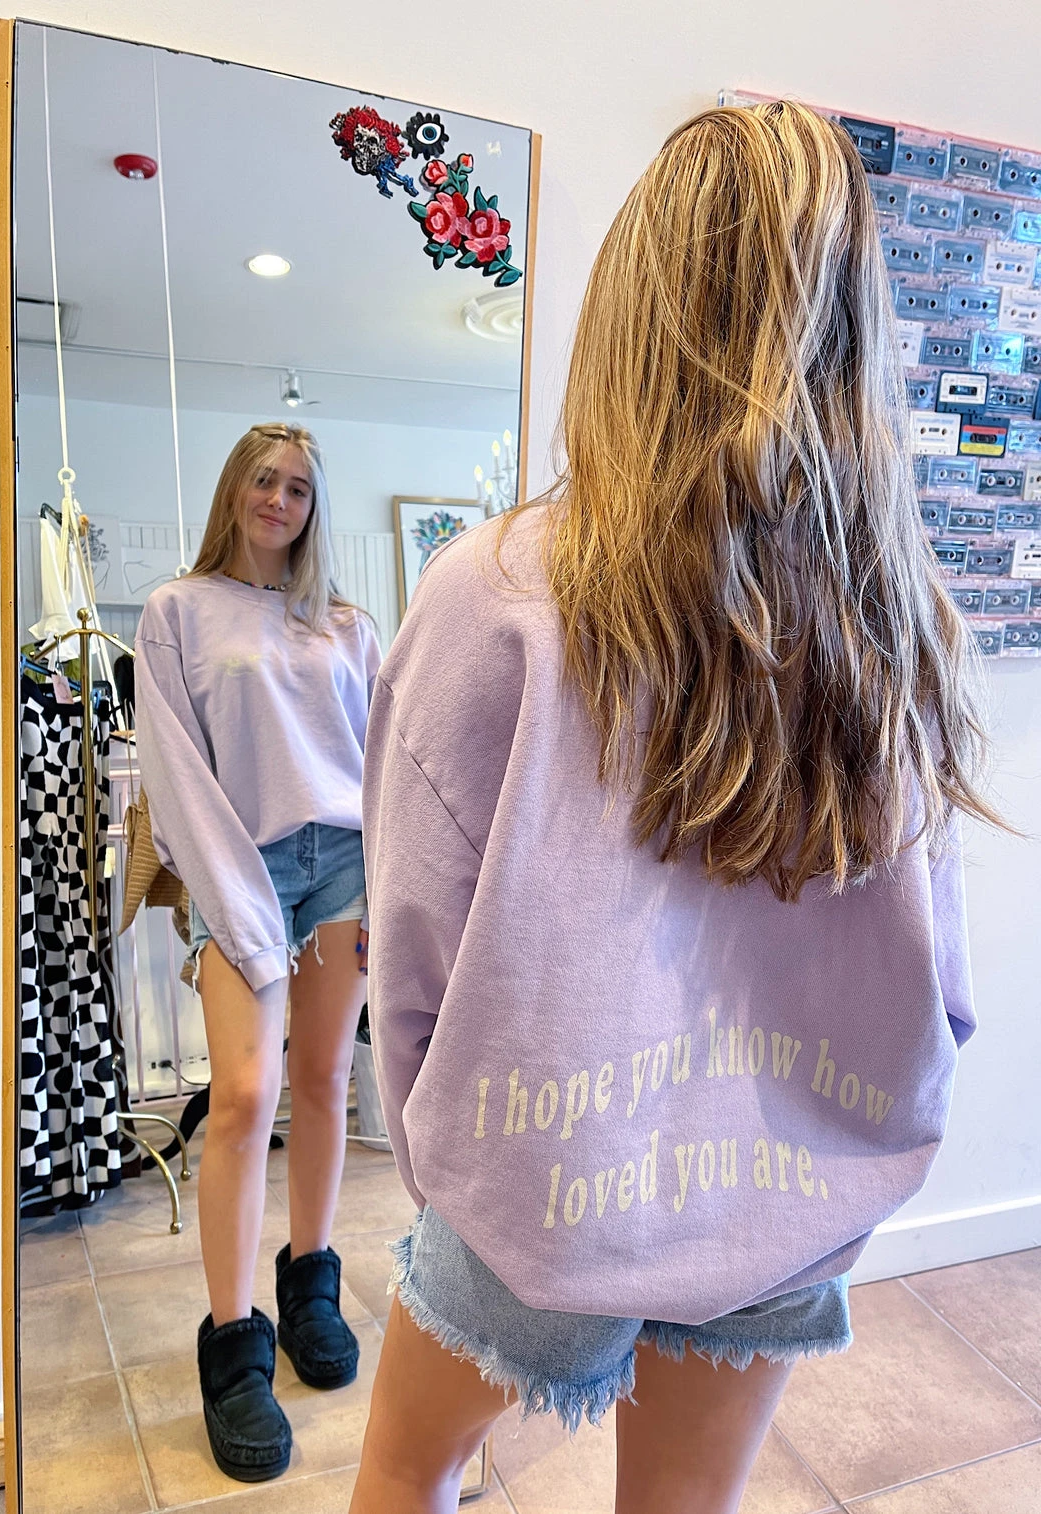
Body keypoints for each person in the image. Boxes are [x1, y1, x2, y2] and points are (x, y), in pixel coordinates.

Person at [351, 102, 1001, 1514]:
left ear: (629, 311)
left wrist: (445, 1152)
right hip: (785, 1191)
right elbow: (941, 988)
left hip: (538, 1177)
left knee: (406, 1468)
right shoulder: (897, 624)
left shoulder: (495, 594)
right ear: (856, 330)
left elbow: (408, 947)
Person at [135, 422, 379, 1482]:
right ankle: (234, 1347)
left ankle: (310, 1280)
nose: (280, 499)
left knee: (325, 1080)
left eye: (299, 488)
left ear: (316, 507)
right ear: (235, 488)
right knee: (242, 1094)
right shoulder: (178, 611)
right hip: (241, 858)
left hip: (345, 861)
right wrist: (230, 897)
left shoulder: (347, 625)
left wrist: (393, 883)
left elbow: (382, 760)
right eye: (264, 480)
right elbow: (174, 770)